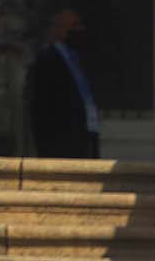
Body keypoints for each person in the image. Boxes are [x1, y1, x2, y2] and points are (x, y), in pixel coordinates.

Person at [27, 8, 100, 158]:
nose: (79, 31)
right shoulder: (47, 60)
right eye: (73, 26)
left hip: (86, 134)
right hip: (61, 142)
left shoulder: (79, 59)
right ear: (59, 29)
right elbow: (40, 107)